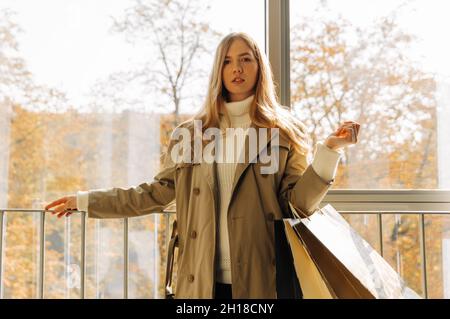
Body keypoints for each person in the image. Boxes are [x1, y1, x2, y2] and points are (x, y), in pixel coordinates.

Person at [45, 32, 360, 299]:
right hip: (199, 282)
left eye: (245, 59)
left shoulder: (284, 132)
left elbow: (296, 205)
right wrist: (86, 201)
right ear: (218, 71)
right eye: (227, 61)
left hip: (261, 282)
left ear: (259, 66)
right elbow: (154, 193)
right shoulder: (190, 133)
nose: (236, 67)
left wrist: (329, 151)